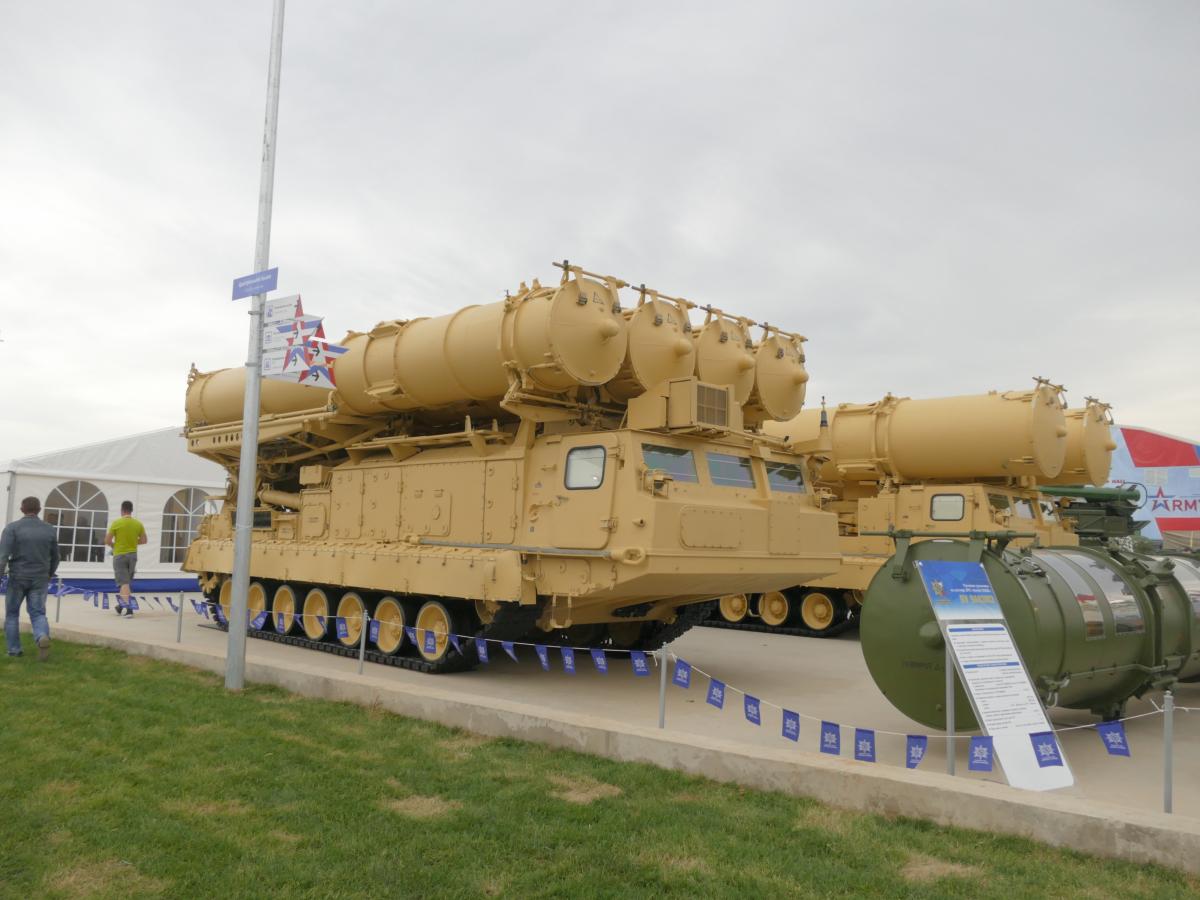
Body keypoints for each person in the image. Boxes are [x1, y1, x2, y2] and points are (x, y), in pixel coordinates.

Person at [0, 496, 59, 660]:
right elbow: (56, 556)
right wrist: (50, 573)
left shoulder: (12, 528)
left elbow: (3, 556)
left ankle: (14, 650)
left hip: (18, 576)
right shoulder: (49, 529)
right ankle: (41, 636)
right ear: (39, 510)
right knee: (38, 612)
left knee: (12, 614)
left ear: (21, 509)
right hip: (40, 577)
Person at [106, 500, 146, 616]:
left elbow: (107, 540)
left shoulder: (117, 523)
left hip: (119, 555)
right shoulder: (138, 524)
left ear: (122, 510)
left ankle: (129, 609)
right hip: (133, 555)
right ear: (131, 510)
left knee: (123, 583)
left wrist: (115, 545)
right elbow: (144, 540)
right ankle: (120, 606)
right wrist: (132, 542)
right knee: (127, 582)